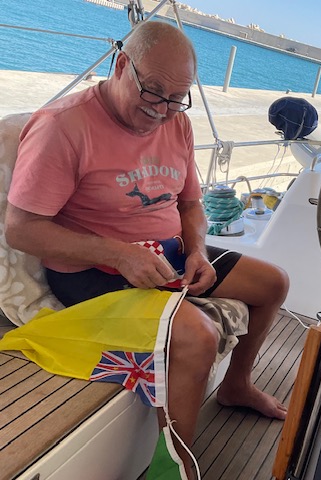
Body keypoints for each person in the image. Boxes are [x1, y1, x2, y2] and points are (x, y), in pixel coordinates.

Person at [5, 21, 289, 476]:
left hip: (169, 254)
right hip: (92, 270)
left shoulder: (178, 123)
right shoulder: (63, 126)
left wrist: (197, 251)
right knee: (197, 336)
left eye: (177, 98)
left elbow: (191, 205)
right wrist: (120, 254)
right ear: (122, 65)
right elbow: (22, 230)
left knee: (273, 282)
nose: (162, 110)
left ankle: (236, 385)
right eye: (153, 91)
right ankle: (175, 469)